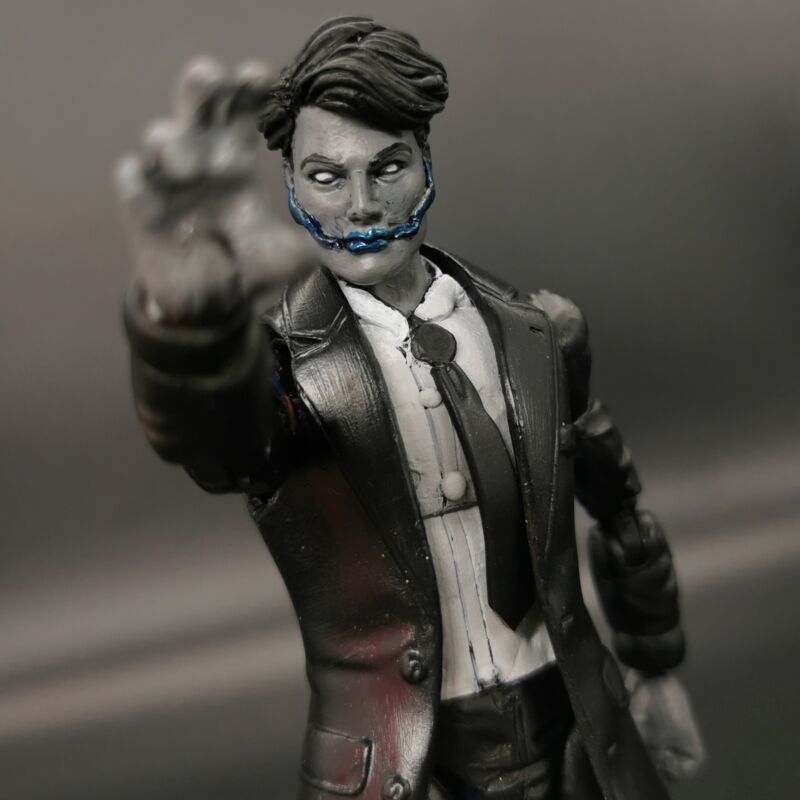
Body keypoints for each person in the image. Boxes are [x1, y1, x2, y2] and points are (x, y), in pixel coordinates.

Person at [117, 16, 703, 800]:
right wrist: (187, 319)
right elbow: (218, 443)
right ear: (289, 184)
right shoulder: (285, 373)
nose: (361, 206)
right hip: (406, 758)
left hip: (573, 724)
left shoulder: (538, 332)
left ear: (427, 161)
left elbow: (618, 503)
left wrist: (656, 666)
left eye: (387, 167)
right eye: (327, 176)